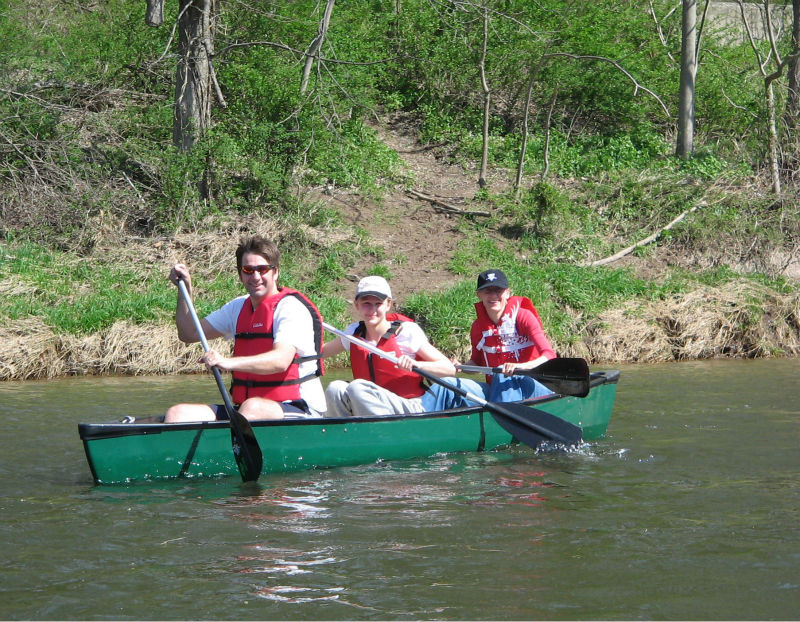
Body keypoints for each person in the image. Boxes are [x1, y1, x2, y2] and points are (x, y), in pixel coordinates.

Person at [164, 235, 326, 422]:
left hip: (298, 406)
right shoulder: (238, 307)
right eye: (248, 270)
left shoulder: (290, 308)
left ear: (275, 273)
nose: (255, 277)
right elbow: (189, 333)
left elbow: (280, 360)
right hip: (248, 410)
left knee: (252, 408)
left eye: (262, 269)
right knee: (178, 414)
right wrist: (185, 290)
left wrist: (227, 362)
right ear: (241, 275)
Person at [321, 276, 458, 418]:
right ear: (357, 305)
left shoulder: (406, 332)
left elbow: (449, 369)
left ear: (388, 304)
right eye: (366, 303)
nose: (372, 309)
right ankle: (345, 434)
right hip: (370, 404)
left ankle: (382, 434)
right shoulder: (353, 333)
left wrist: (416, 364)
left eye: (378, 303)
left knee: (357, 387)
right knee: (335, 388)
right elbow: (320, 353)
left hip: (411, 406)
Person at [461, 268, 555, 402]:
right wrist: (460, 366)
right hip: (497, 390)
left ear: (507, 293)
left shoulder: (523, 317)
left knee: (501, 373)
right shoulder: (478, 327)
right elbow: (477, 363)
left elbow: (549, 356)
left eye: (498, 291)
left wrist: (520, 367)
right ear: (479, 295)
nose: (493, 296)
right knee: (449, 385)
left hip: (533, 387)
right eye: (488, 291)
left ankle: (501, 417)